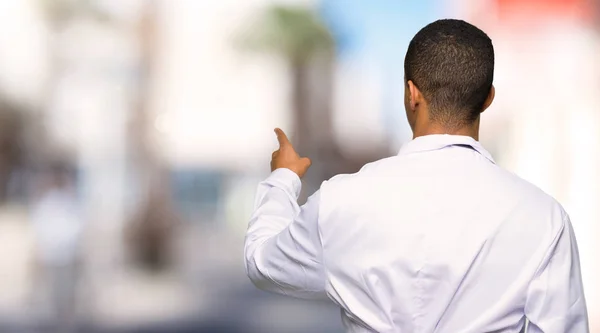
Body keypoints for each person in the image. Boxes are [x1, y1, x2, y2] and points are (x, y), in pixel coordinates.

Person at [244, 19, 589, 332]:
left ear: (412, 94)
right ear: (487, 99)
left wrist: (284, 179)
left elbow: (262, 262)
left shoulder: (341, 200)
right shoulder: (543, 217)